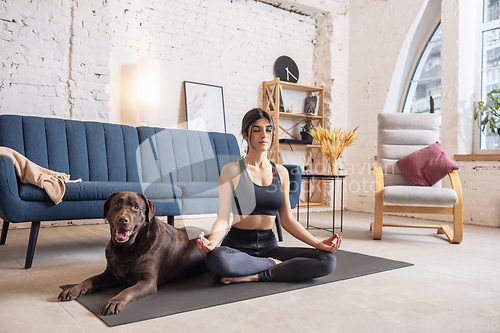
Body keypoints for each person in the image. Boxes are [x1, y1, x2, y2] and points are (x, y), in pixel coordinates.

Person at [197, 108, 341, 284]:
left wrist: (318, 244)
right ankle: (273, 265)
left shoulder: (281, 172)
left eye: (268, 129)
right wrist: (211, 243)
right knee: (217, 259)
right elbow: (223, 218)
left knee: (327, 261)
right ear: (245, 135)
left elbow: (287, 220)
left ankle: (255, 275)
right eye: (256, 130)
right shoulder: (232, 170)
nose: (263, 135)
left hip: (269, 246)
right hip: (238, 247)